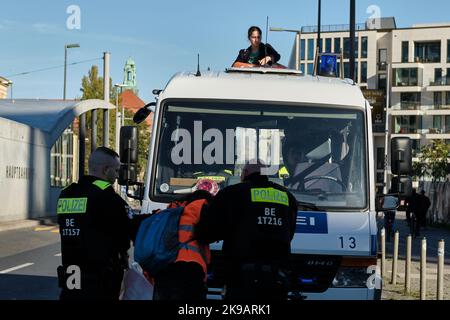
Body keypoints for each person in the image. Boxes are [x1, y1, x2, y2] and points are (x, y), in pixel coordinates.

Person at [196, 160, 298, 300]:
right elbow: (289, 233)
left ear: (245, 173)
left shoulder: (232, 193)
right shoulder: (288, 196)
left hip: (241, 278)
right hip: (277, 278)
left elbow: (207, 232)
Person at [57, 147, 131, 300]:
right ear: (105, 170)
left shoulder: (67, 193)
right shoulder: (106, 195)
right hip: (100, 280)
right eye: (116, 171)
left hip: (72, 274)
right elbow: (124, 233)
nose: (117, 176)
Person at [151, 190, 213, 301]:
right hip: (191, 267)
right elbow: (211, 234)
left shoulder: (171, 211)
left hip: (165, 266)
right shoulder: (201, 208)